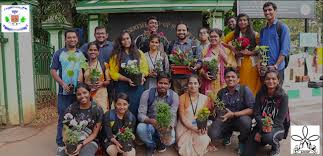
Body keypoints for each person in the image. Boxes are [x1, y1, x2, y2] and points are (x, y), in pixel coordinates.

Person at [50, 29, 86, 155]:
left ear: (77, 39)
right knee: (62, 118)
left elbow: (82, 70)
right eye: (69, 37)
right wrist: (62, 84)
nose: (72, 39)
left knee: (77, 118)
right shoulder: (59, 53)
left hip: (77, 93)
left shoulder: (81, 53)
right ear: (65, 39)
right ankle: (60, 143)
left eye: (74, 37)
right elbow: (53, 70)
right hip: (63, 93)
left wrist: (80, 86)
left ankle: (73, 142)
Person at [208, 67, 255, 154]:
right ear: (225, 79)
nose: (230, 79)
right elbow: (218, 108)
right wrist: (215, 108)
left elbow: (252, 109)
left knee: (245, 122)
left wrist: (233, 114)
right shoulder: (221, 92)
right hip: (226, 119)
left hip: (240, 119)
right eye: (228, 77)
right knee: (212, 133)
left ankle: (242, 142)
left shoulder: (245, 90)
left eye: (233, 77)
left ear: (238, 79)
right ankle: (227, 135)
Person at [242, 69, 289, 156]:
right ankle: (263, 140)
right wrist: (261, 128)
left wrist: (261, 132)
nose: (271, 81)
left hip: (277, 127)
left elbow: (279, 120)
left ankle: (275, 147)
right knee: (246, 153)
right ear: (264, 81)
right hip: (260, 125)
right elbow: (256, 114)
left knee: (267, 137)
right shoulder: (260, 94)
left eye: (274, 79)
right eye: (268, 79)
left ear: (278, 80)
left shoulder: (283, 97)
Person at [137, 72, 179, 155]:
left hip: (164, 125)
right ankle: (151, 145)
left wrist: (167, 127)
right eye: (160, 83)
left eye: (165, 83)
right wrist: (150, 121)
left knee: (170, 141)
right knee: (140, 128)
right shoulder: (147, 94)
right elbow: (140, 114)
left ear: (169, 85)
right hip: (150, 124)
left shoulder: (174, 96)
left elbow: (173, 115)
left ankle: (159, 141)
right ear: (156, 83)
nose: (162, 86)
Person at [109, 31, 149, 117]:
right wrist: (127, 79)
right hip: (122, 87)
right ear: (120, 42)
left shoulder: (139, 53)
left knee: (137, 108)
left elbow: (145, 69)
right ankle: (123, 130)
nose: (126, 41)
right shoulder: (116, 56)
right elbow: (113, 73)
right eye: (123, 39)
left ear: (131, 39)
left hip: (137, 88)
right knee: (123, 110)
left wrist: (142, 76)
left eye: (128, 38)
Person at [223, 13, 262, 96]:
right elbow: (222, 42)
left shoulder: (255, 34)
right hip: (239, 63)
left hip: (252, 63)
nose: (242, 22)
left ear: (248, 22)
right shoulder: (235, 34)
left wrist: (250, 52)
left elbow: (262, 48)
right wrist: (233, 49)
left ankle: (252, 105)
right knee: (240, 84)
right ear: (237, 22)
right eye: (240, 20)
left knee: (252, 85)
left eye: (244, 20)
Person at [62, 83, 103, 156]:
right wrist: (67, 145)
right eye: (79, 94)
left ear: (90, 93)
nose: (82, 96)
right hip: (73, 140)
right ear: (76, 96)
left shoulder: (97, 109)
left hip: (90, 141)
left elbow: (94, 134)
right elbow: (65, 129)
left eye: (85, 93)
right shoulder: (71, 108)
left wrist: (81, 144)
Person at [176, 75, 211, 156]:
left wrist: (203, 128)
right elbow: (182, 118)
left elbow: (204, 117)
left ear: (199, 85)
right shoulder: (182, 98)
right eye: (190, 83)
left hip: (198, 126)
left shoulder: (205, 99)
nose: (193, 86)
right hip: (184, 127)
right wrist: (193, 128)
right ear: (187, 85)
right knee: (185, 151)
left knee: (204, 140)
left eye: (195, 83)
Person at [260, 2, 290, 85]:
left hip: (277, 68)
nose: (267, 12)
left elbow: (285, 50)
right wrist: (262, 65)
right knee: (266, 94)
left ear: (275, 11)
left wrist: (276, 65)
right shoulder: (263, 30)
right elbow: (262, 50)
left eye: (270, 10)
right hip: (265, 68)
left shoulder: (282, 27)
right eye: (265, 10)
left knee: (277, 94)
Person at [168, 23, 202, 94]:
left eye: (184, 30)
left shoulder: (194, 44)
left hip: (190, 79)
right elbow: (168, 60)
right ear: (176, 32)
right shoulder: (172, 44)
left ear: (188, 32)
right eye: (179, 30)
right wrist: (170, 66)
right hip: (175, 79)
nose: (181, 32)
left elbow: (200, 60)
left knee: (189, 100)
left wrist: (196, 66)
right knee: (176, 100)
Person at [78, 42, 110, 112]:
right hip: (87, 96)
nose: (93, 52)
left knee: (102, 114)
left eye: (95, 50)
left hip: (101, 96)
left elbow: (108, 81)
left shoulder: (104, 65)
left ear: (98, 52)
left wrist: (102, 83)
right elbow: (80, 82)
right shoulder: (83, 65)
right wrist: (86, 85)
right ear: (87, 51)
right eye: (91, 50)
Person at [200, 28, 228, 95]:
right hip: (208, 81)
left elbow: (232, 66)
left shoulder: (226, 50)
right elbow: (201, 68)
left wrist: (223, 55)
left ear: (220, 38)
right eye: (211, 36)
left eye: (215, 36)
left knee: (221, 102)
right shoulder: (205, 51)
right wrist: (204, 74)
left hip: (222, 82)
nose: (213, 38)